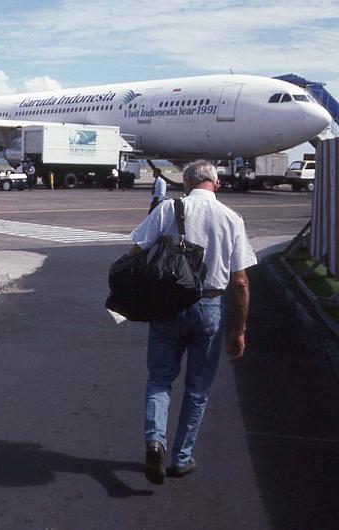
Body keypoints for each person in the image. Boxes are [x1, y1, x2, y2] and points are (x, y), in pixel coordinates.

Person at [128, 161, 256, 485]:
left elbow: (136, 252)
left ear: (186, 182)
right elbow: (240, 282)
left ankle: (155, 441)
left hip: (168, 304)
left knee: (159, 378)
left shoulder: (168, 209)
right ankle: (181, 458)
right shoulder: (231, 219)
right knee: (197, 388)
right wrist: (239, 330)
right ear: (217, 184)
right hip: (209, 305)